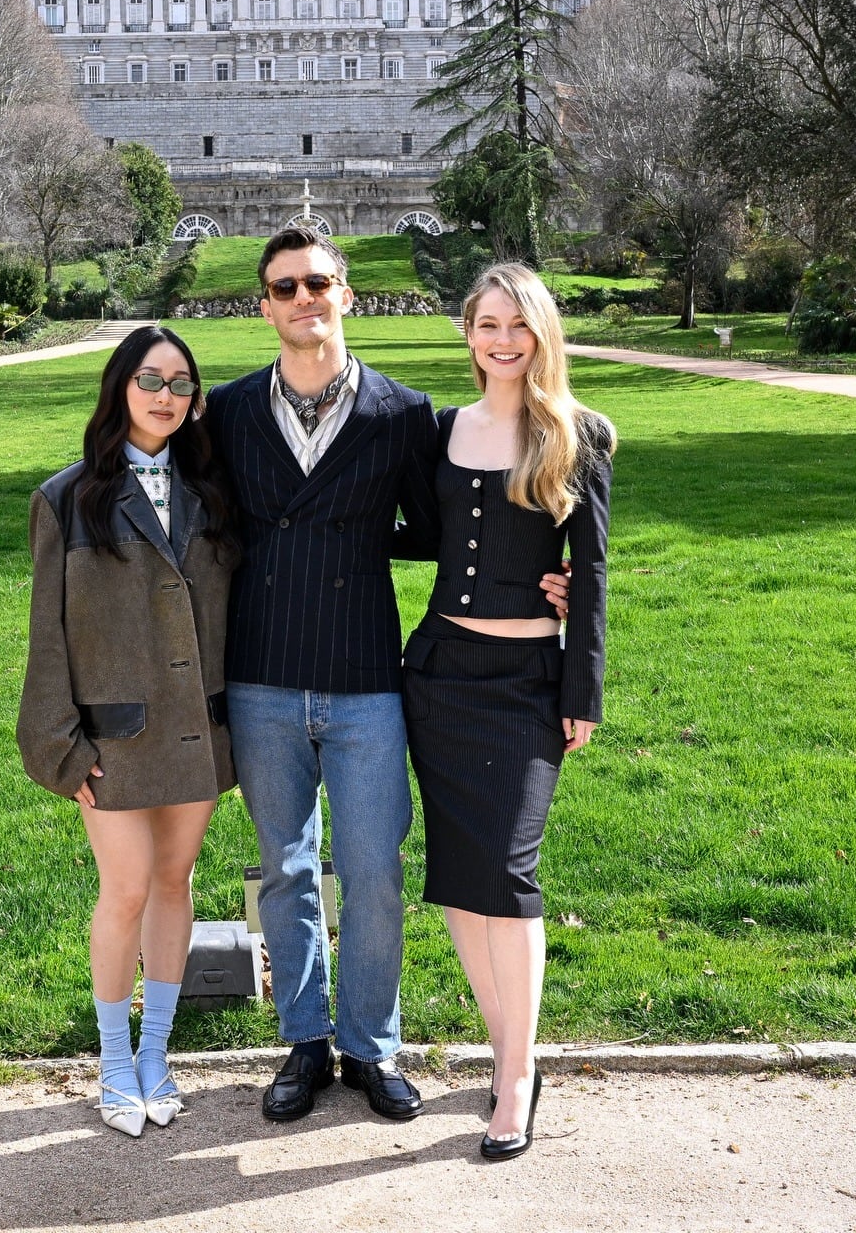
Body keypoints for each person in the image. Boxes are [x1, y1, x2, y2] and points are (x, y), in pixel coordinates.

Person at [205, 227, 569, 1126]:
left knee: (374, 870)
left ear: (346, 294)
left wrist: (541, 581)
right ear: (265, 305)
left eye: (317, 283)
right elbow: (205, 532)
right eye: (284, 287)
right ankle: (303, 1041)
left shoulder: (404, 415)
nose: (303, 300)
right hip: (263, 673)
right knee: (286, 870)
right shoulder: (231, 411)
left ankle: (370, 1045)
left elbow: (450, 529)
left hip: (370, 675)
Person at [402, 263, 614, 1162]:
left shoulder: (581, 434)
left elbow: (594, 573)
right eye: (486, 323)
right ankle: (508, 1054)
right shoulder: (441, 431)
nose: (501, 339)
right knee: (458, 872)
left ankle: (516, 1081)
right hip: (441, 672)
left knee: (510, 869)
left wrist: (582, 690)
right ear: (468, 332)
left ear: (540, 334)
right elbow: (407, 530)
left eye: (516, 325)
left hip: (529, 680)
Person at [17, 327, 237, 1138]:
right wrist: (58, 742)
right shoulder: (66, 499)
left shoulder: (213, 496)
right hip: (112, 744)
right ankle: (113, 1062)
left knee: (175, 886)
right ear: (119, 388)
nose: (164, 395)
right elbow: (49, 635)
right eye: (150, 378)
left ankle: (156, 1055)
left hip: (197, 735)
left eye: (181, 383)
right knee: (128, 889)